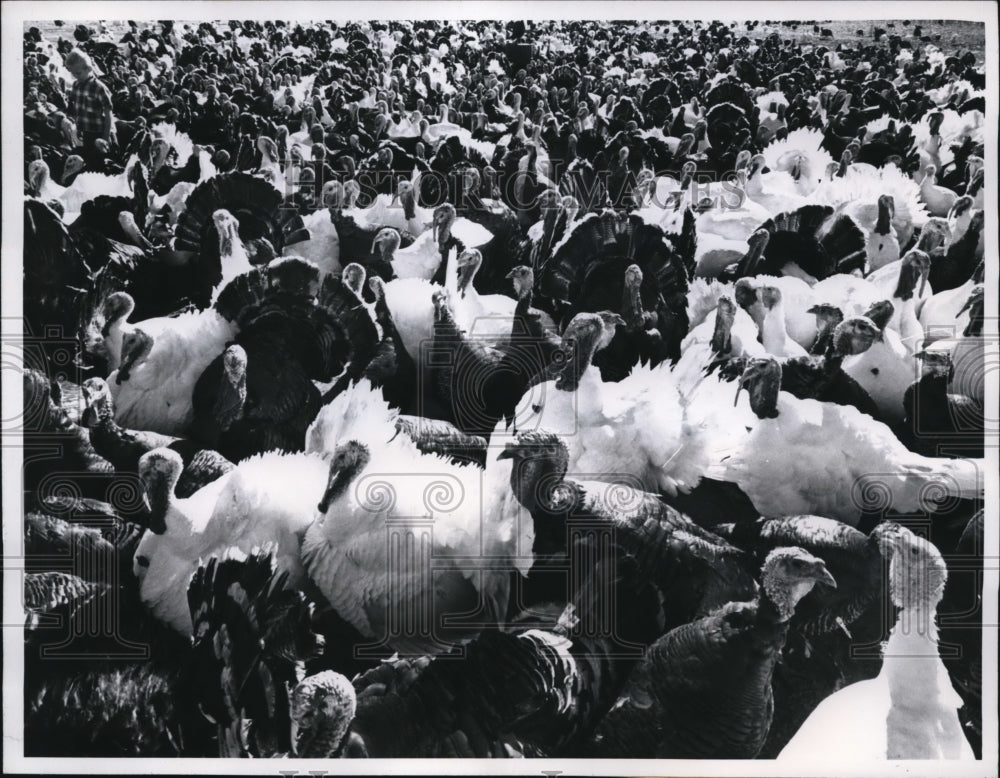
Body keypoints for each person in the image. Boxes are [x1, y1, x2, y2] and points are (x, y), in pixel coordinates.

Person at [64, 48, 115, 164]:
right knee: (87, 161)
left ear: (89, 69)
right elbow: (77, 109)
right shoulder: (76, 85)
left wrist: (105, 138)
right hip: (85, 132)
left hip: (99, 132)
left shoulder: (99, 88)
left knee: (100, 162)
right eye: (73, 74)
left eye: (78, 73)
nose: (76, 76)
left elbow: (108, 114)